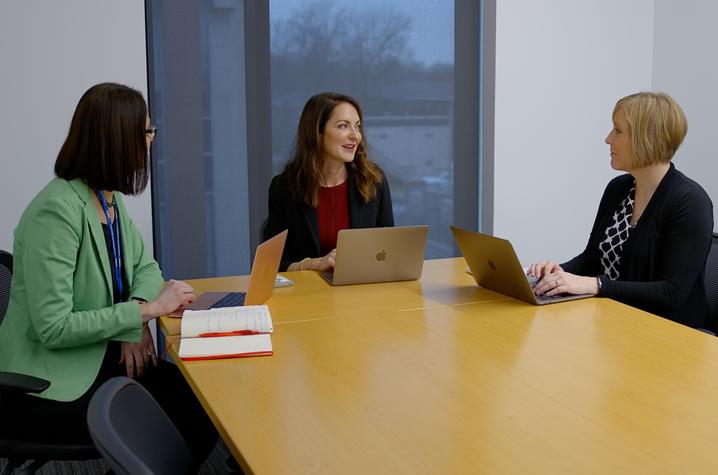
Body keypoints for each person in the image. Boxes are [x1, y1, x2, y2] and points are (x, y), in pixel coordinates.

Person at [0, 83, 217, 468]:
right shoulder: (57, 212)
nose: (152, 140)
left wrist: (133, 317)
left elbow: (146, 268)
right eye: (146, 131)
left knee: (203, 400)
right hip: (51, 386)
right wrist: (145, 313)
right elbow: (53, 326)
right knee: (182, 418)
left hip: (101, 355)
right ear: (117, 139)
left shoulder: (105, 199)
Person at [528, 92, 714, 329]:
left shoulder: (690, 202)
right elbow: (592, 259)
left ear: (646, 138)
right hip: (615, 323)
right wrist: (555, 275)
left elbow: (672, 292)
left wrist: (596, 285)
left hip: (669, 335)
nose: (608, 139)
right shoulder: (619, 189)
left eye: (618, 131)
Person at [263, 92, 394, 272]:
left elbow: (390, 253)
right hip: (307, 296)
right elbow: (271, 264)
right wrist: (314, 264)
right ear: (317, 131)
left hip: (362, 293)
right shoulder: (285, 188)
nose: (355, 136)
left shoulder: (374, 182)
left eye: (357, 127)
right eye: (343, 126)